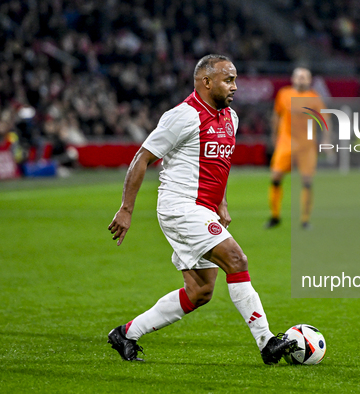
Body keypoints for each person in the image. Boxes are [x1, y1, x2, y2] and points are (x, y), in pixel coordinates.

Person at [107, 54, 297, 364]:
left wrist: (220, 203)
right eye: (228, 80)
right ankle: (267, 343)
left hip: (203, 209)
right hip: (180, 206)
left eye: (234, 79)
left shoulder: (230, 118)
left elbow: (217, 165)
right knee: (237, 259)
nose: (235, 86)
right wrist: (126, 209)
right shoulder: (182, 116)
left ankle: (126, 334)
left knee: (200, 291)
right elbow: (142, 157)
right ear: (206, 82)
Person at [266, 67, 329, 229]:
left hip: (307, 145)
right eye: (299, 77)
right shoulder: (284, 94)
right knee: (275, 177)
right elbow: (276, 115)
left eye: (305, 77)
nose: (301, 80)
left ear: (309, 80)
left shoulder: (314, 97)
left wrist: (327, 139)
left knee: (307, 181)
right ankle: (275, 216)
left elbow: (325, 120)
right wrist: (274, 136)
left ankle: (305, 220)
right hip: (286, 142)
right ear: (293, 79)